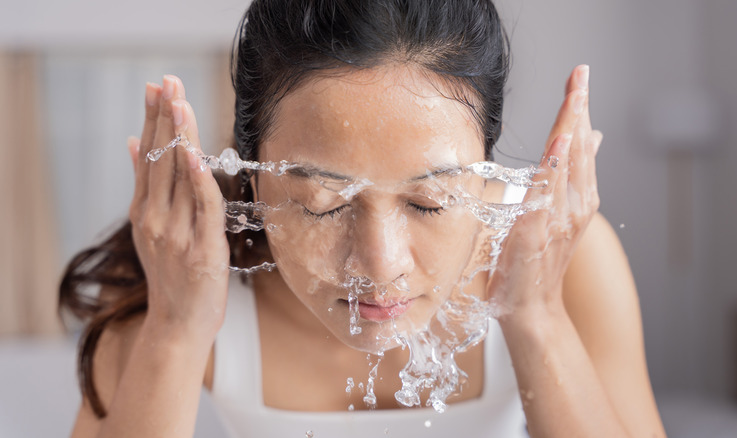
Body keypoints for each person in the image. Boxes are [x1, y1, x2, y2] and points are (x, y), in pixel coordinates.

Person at [60, 0, 667, 437]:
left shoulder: (564, 260)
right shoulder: (184, 278)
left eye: (431, 202)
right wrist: (176, 327)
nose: (380, 265)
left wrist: (535, 316)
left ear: (485, 167)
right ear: (253, 172)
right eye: (325, 204)